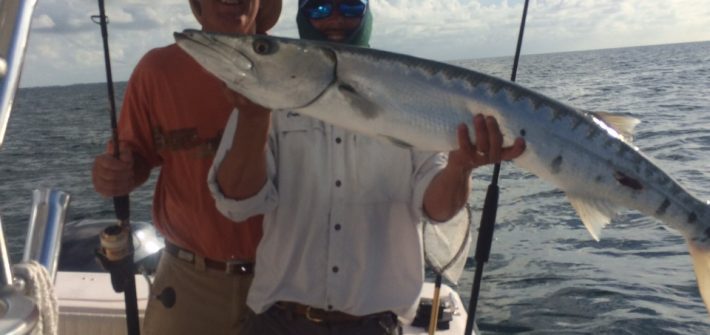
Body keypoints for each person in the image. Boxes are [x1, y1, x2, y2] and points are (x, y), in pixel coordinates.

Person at [208, 0, 526, 334]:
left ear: (367, 13)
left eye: (349, 7)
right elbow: (238, 203)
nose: (334, 19)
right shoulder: (265, 100)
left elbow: (438, 209)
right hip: (277, 320)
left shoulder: (412, 92)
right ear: (301, 16)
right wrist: (253, 117)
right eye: (318, 8)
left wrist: (460, 167)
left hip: (375, 325)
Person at [91, 1, 282, 334]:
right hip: (188, 282)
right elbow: (134, 156)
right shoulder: (158, 70)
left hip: (284, 285)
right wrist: (114, 173)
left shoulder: (295, 67)